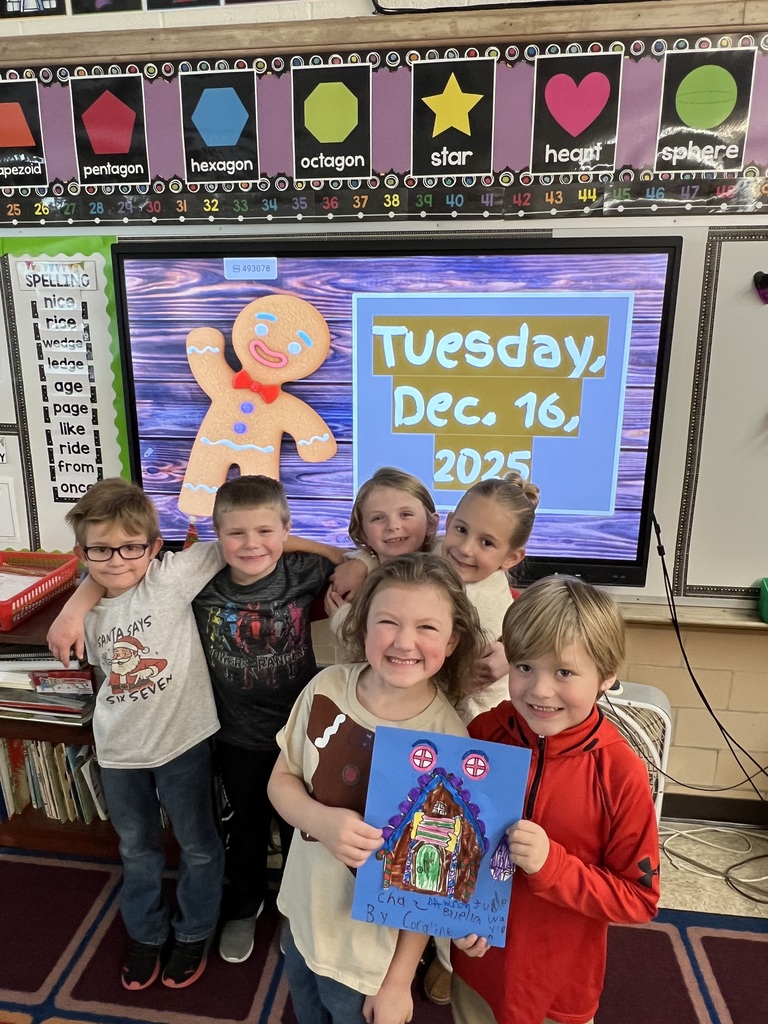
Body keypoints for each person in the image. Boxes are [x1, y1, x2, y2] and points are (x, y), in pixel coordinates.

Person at [267, 553, 484, 1024]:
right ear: (363, 626)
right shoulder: (326, 687)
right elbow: (281, 780)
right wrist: (319, 821)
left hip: (368, 957)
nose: (404, 641)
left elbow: (430, 884)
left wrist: (398, 982)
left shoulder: (450, 742)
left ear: (452, 641)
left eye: (427, 627)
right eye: (387, 621)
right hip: (303, 915)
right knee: (306, 1009)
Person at [451, 576, 660, 1024]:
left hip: (559, 991)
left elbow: (639, 900)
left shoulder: (619, 774)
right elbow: (453, 845)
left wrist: (552, 865)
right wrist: (453, 917)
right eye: (524, 667)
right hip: (477, 970)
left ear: (606, 675)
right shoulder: (484, 735)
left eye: (564, 672)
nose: (540, 690)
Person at [54, 478, 226, 991]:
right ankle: (147, 933)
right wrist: (73, 606)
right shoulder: (83, 611)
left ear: (154, 547)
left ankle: (194, 929)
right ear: (81, 551)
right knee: (137, 848)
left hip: (183, 742)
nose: (115, 560)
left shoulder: (170, 578)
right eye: (99, 549)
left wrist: (341, 554)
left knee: (198, 844)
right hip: (119, 750)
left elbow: (249, 536)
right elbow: (94, 583)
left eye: (131, 547)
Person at [191, 475, 338, 965]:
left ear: (286, 530)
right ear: (217, 536)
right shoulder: (201, 584)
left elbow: (352, 561)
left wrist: (353, 569)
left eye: (265, 532)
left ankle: (299, 907)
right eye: (236, 534)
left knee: (301, 829)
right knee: (248, 827)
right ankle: (245, 902)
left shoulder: (303, 572)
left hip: (299, 738)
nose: (252, 544)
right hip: (238, 738)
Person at [423, 471, 540, 1005]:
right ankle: (410, 937)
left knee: (459, 855)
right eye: (461, 529)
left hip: (473, 747)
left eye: (487, 542)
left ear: (512, 558)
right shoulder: (430, 572)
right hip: (424, 731)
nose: (466, 548)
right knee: (415, 839)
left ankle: (450, 955)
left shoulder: (501, 611)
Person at [323, 466, 439, 629]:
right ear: (363, 534)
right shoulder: (360, 587)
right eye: (378, 518)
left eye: (406, 514)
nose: (393, 526)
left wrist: (344, 624)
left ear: (431, 524)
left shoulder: (448, 563)